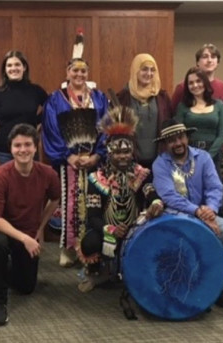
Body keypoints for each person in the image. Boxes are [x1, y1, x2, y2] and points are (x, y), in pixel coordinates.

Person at [152, 119, 223, 308]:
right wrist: (197, 211)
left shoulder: (203, 158)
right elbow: (169, 196)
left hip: (205, 212)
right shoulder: (160, 164)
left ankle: (222, 287)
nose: (177, 143)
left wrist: (210, 210)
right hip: (174, 215)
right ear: (165, 144)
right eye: (171, 141)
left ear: (187, 137)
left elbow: (215, 187)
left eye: (180, 137)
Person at [0, 124, 59, 326]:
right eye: (17, 145)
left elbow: (55, 199)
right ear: (11, 149)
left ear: (35, 147)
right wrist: (25, 239)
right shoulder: (0, 176)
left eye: (28, 144)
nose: (23, 150)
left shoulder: (47, 174)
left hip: (28, 229)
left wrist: (39, 229)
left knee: (26, 287)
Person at [77, 102, 163, 292]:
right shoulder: (96, 178)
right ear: (109, 153)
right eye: (118, 152)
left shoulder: (141, 173)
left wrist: (156, 202)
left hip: (136, 227)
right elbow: (93, 217)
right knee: (89, 242)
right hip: (107, 229)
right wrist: (112, 229)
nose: (123, 156)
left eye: (126, 151)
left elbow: (148, 190)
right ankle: (95, 273)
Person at [42, 57, 108, 267]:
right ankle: (68, 249)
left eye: (83, 71)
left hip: (93, 160)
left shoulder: (99, 98)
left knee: (93, 203)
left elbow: (107, 127)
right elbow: (51, 129)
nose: (79, 75)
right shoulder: (56, 99)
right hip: (68, 161)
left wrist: (97, 155)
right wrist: (68, 156)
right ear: (67, 72)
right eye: (75, 71)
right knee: (69, 204)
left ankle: (91, 247)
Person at [174, 67, 223, 218]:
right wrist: (191, 155)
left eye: (198, 81)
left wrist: (207, 157)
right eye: (190, 83)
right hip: (188, 157)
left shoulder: (219, 105)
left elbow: (222, 134)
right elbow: (179, 134)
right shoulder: (183, 107)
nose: (195, 85)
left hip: (213, 156)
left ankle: (217, 227)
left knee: (214, 195)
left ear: (205, 83)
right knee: (191, 193)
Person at [0, 50, 48, 168]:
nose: (13, 68)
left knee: (31, 186)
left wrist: (35, 120)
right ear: (5, 70)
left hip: (29, 151)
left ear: (24, 67)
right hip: (3, 154)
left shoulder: (35, 90)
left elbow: (51, 109)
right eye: (9, 65)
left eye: (17, 64)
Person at [116, 53, 172, 168]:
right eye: (144, 69)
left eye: (152, 70)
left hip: (160, 162)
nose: (149, 73)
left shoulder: (162, 97)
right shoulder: (122, 98)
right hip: (130, 163)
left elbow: (169, 126)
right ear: (135, 70)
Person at [171, 43, 223, 109]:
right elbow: (173, 113)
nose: (209, 60)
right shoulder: (183, 87)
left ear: (217, 62)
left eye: (213, 57)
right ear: (197, 62)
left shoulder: (222, 87)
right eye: (205, 57)